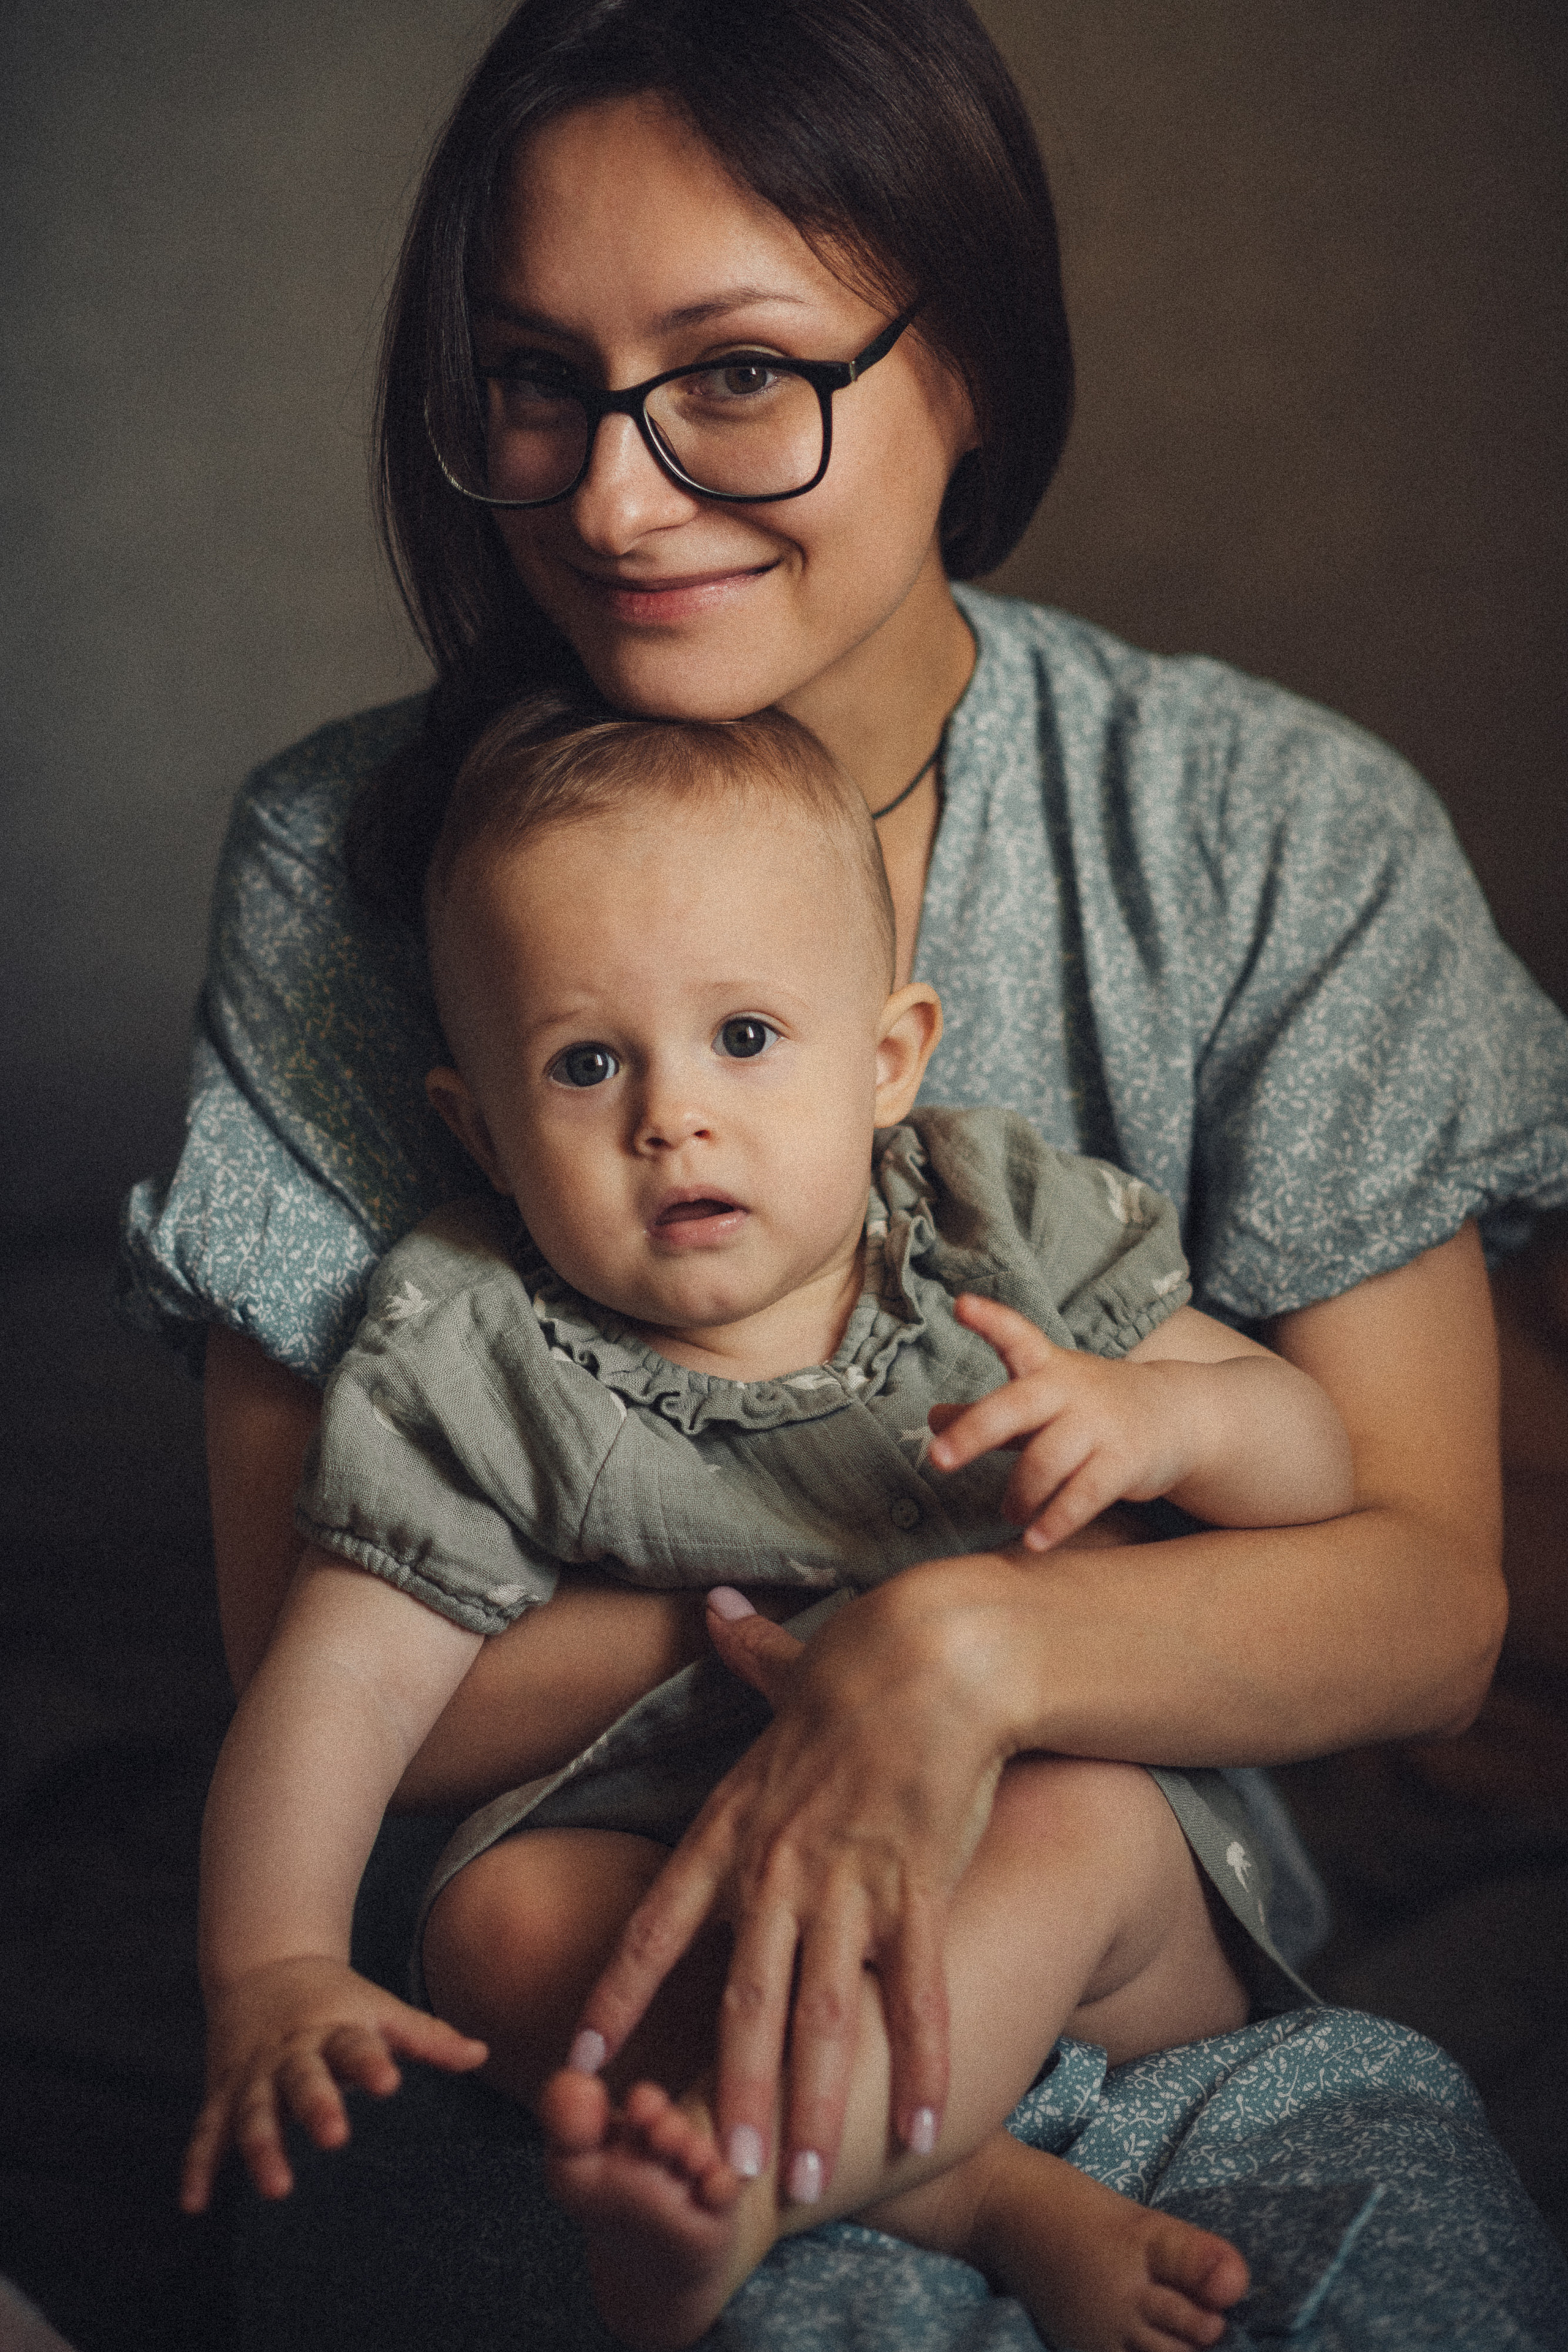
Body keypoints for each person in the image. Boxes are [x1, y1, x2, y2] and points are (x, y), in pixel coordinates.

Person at [119, 0, 1568, 2335]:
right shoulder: (351, 862)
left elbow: (1425, 1607)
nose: (606, 498)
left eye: (731, 371)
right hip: (615, 2002)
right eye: (533, 379)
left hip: (1116, 1932)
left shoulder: (1265, 838)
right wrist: (903, 1589)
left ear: (970, 365)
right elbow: (336, 1678)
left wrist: (967, 1651)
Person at [181, 700, 1354, 2352]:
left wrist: (1166, 1417)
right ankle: (969, 2192)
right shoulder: (486, 1347)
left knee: (1086, 1811)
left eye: (745, 1037)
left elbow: (1317, 1469)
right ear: (482, 1133)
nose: (676, 1115)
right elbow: (340, 1691)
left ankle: (751, 2193)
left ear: (887, 1060)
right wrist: (274, 1967)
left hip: (1053, 1886)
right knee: (487, 1922)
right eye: (587, 1064)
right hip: (699, 1898)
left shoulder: (990, 1238)